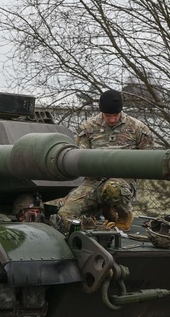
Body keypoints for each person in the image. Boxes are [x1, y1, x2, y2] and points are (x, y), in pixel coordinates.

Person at [56, 88, 154, 231]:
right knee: (64, 215)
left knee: (112, 189)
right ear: (102, 112)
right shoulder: (88, 128)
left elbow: (148, 159)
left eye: (115, 115)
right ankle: (95, 222)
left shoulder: (138, 128)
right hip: (94, 180)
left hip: (123, 180)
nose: (112, 119)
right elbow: (79, 157)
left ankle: (123, 214)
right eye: (108, 115)